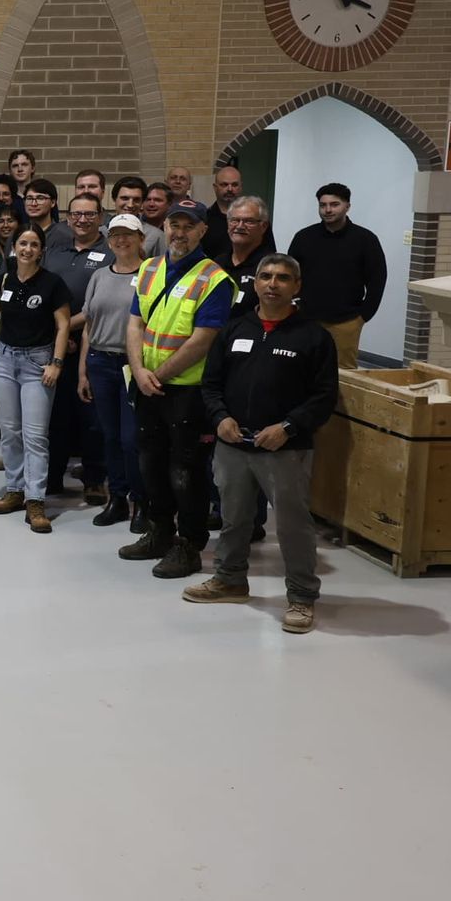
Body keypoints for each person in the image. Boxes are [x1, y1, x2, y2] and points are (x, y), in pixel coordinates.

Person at [182, 253, 338, 634]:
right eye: (266, 276)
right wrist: (221, 419)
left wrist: (287, 426)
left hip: (284, 449)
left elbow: (323, 397)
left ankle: (301, 597)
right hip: (235, 444)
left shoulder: (314, 337)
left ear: (296, 287)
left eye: (283, 278)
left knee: (292, 526)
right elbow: (211, 384)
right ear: (255, 283)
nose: (272, 284)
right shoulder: (234, 330)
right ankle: (230, 579)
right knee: (234, 519)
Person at [119, 198, 236, 578]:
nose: (179, 232)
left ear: (203, 230)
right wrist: (139, 371)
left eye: (189, 226)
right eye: (174, 224)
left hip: (187, 392)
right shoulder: (150, 268)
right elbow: (135, 323)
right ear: (164, 227)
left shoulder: (215, 279)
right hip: (147, 386)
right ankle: (159, 532)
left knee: (185, 471)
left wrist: (159, 374)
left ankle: (188, 544)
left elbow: (203, 340)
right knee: (149, 463)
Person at [0, 225, 71, 534]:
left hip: (38, 364)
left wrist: (56, 362)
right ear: (13, 247)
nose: (27, 249)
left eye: (33, 244)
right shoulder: (3, 280)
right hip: (3, 360)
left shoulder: (52, 284)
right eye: (22, 243)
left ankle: (36, 500)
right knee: (10, 431)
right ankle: (14, 489)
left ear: (41, 250)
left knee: (35, 435)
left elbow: (63, 326)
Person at [76, 213, 147, 528]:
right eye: (115, 235)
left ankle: (141, 500)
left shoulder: (150, 273)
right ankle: (116, 498)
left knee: (133, 438)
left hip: (134, 365)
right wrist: (82, 371)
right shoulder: (100, 276)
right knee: (110, 436)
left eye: (128, 234)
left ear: (140, 239)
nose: (121, 240)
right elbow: (88, 325)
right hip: (100, 362)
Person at [43, 194, 114, 502]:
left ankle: (95, 479)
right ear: (67, 218)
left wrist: (67, 326)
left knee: (92, 416)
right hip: (55, 345)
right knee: (55, 415)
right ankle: (53, 475)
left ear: (101, 217)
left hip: (93, 342)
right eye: (76, 214)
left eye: (89, 214)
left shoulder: (110, 253)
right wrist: (58, 332)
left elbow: (101, 305)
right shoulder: (54, 252)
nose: (82, 219)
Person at [288, 181, 387, 368]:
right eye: (323, 205)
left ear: (347, 206)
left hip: (346, 321)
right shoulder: (304, 237)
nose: (328, 210)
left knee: (343, 375)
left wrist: (363, 316)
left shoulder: (365, 240)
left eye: (334, 204)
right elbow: (290, 274)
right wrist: (294, 306)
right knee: (301, 369)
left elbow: (377, 280)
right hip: (307, 318)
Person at [216, 195, 276, 317]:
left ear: (263, 226)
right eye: (235, 220)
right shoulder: (216, 264)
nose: (240, 226)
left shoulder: (271, 266)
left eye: (249, 221)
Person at [111, 176, 164, 257]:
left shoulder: (155, 236)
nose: (130, 205)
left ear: (142, 202)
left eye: (136, 200)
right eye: (125, 198)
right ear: (114, 199)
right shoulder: (100, 232)